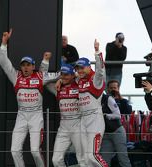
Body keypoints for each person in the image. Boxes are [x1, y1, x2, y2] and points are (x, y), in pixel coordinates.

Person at [0, 29, 52, 167]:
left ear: (33, 66)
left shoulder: (40, 76)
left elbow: (62, 75)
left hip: (36, 116)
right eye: (23, 65)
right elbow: (4, 63)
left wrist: (68, 76)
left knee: (35, 151)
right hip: (21, 115)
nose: (25, 68)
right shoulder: (16, 76)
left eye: (28, 65)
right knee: (14, 150)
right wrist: (4, 44)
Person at [56, 39, 108, 167]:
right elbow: (68, 74)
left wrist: (97, 52)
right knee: (86, 158)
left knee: (93, 155)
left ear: (89, 67)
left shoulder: (95, 79)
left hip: (95, 119)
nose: (79, 70)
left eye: (82, 67)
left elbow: (101, 70)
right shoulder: (79, 79)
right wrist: (60, 80)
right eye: (78, 68)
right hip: (83, 121)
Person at [46, 64, 86, 167]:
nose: (64, 77)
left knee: (82, 160)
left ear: (73, 75)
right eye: (62, 74)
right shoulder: (57, 88)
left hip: (78, 126)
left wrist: (75, 74)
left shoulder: (80, 87)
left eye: (66, 74)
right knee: (56, 160)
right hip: (63, 127)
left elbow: (86, 76)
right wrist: (58, 79)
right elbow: (44, 82)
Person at [100, 93, 132, 167]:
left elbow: (118, 115)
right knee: (104, 160)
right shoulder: (92, 101)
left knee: (122, 157)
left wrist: (106, 116)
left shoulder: (108, 99)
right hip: (105, 133)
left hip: (117, 131)